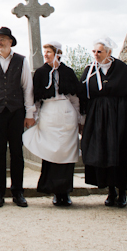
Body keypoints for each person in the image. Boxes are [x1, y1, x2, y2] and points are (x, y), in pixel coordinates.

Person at [23, 41, 85, 207]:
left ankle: (65, 192)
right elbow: (35, 99)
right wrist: (32, 117)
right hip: (49, 115)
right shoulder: (40, 73)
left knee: (67, 154)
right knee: (52, 153)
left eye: (49, 52)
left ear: (58, 53)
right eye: (45, 52)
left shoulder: (68, 72)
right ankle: (55, 192)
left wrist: (80, 119)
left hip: (66, 114)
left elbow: (75, 98)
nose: (46, 55)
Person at [0, 27, 35, 208]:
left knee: (17, 153)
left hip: (16, 112)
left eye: (3, 39)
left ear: (11, 41)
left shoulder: (21, 61)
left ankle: (18, 192)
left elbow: (27, 88)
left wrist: (29, 114)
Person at [80, 36, 127, 208]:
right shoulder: (90, 69)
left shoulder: (120, 68)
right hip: (97, 116)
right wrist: (83, 116)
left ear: (108, 52)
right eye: (94, 51)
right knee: (103, 151)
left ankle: (122, 191)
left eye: (100, 52)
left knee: (118, 150)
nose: (96, 54)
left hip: (118, 115)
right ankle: (110, 191)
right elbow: (82, 94)